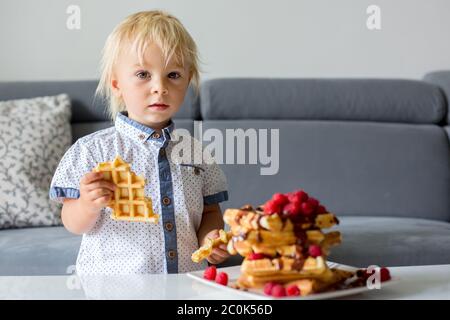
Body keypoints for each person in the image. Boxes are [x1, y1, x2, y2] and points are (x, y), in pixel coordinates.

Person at [49, 10, 230, 275]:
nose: (160, 86)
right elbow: (72, 222)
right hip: (113, 287)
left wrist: (210, 239)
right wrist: (87, 205)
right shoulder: (91, 150)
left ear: (188, 81)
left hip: (186, 284)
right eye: (143, 74)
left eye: (173, 75)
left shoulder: (194, 151)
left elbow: (211, 211)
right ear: (117, 84)